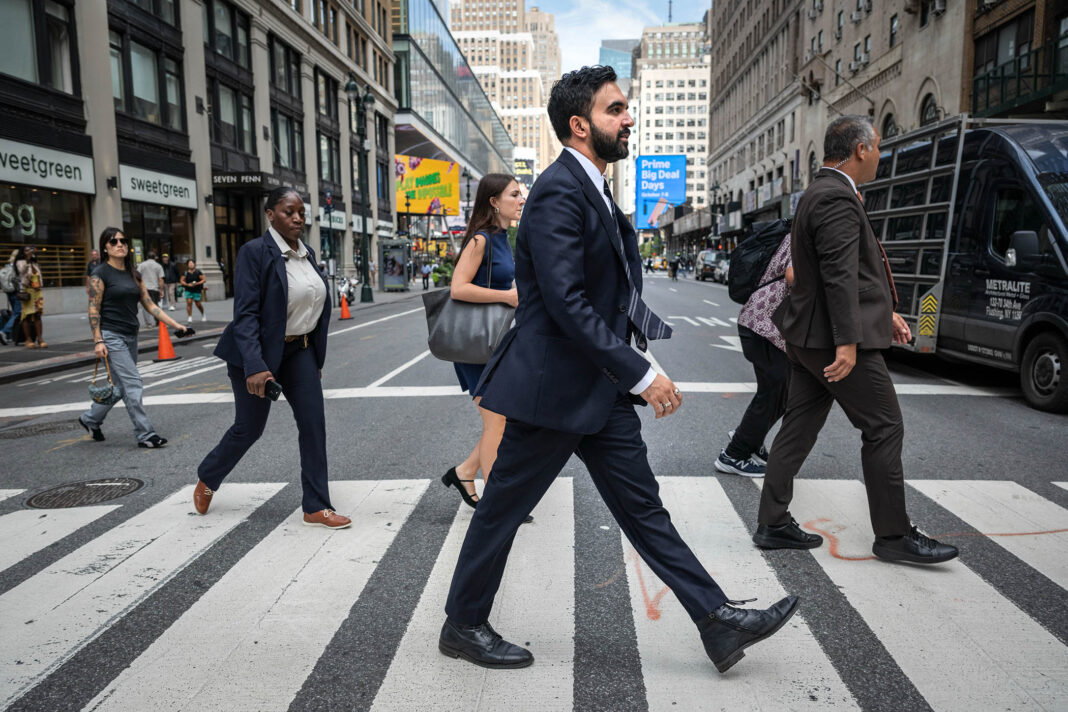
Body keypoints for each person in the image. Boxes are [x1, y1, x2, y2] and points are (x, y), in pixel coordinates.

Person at [439, 66, 798, 675]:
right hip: (554, 389)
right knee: (501, 508)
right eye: (615, 110)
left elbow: (611, 299)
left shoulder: (597, 189)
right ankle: (463, 625)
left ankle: (715, 620)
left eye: (626, 108)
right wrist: (641, 374)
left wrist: (640, 364)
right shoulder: (558, 189)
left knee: (643, 509)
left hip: (596, 391)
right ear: (580, 126)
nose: (628, 118)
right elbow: (565, 301)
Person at [753, 116, 958, 565]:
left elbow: (854, 274)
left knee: (799, 427)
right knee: (884, 426)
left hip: (807, 336)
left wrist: (887, 316)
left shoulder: (820, 192)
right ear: (861, 149)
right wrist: (849, 343)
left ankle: (771, 523)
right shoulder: (835, 198)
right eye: (878, 147)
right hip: (832, 340)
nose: (880, 156)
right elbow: (839, 276)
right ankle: (893, 536)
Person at [193, 186, 350, 530]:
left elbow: (314, 306)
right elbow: (246, 314)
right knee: (250, 428)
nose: (297, 218)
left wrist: (315, 361)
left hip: (300, 352)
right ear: (270, 214)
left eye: (300, 213)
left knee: (313, 425)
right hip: (257, 355)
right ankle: (208, 476)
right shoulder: (255, 252)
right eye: (288, 212)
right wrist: (255, 366)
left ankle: (316, 506)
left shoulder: (306, 253)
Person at [440, 174, 524, 514]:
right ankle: (497, 505)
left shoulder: (504, 238)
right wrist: (508, 297)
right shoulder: (481, 240)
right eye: (514, 194)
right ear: (494, 201)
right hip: (477, 347)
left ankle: (464, 473)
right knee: (498, 422)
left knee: (504, 420)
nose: (521, 200)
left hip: (496, 343)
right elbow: (457, 288)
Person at [79, 228, 193, 447]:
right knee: (133, 383)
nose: (120, 244)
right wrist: (98, 340)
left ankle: (90, 419)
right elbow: (94, 310)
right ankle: (145, 434)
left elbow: (150, 306)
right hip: (111, 336)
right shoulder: (100, 274)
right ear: (106, 247)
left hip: (131, 335)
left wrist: (177, 325)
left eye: (123, 240)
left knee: (121, 388)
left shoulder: (134, 274)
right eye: (114, 241)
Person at [716, 233, 794, 477]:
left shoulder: (803, 231)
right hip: (763, 326)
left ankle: (750, 438)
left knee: (781, 391)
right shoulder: (805, 234)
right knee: (775, 390)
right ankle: (734, 454)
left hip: (767, 326)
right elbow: (793, 276)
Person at [15, 245, 45, 348]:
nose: (29, 251)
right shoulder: (20, 262)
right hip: (26, 291)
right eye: (27, 250)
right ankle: (28, 339)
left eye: (30, 250)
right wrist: (27, 259)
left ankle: (40, 338)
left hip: (37, 291)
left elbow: (38, 276)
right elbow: (22, 272)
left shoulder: (35, 262)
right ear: (23, 253)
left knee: (38, 314)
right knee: (26, 315)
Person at [137, 250, 165, 328]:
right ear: (155, 258)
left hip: (144, 288)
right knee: (155, 305)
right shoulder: (158, 266)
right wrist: (162, 290)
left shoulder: (142, 265)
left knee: (145, 306)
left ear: (147, 257)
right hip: (155, 288)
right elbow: (161, 279)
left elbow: (137, 276)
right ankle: (157, 321)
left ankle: (148, 323)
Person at [0, 249, 20, 346]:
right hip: (17, 292)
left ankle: (8, 335)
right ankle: (4, 332)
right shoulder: (18, 265)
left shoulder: (8, 265)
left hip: (9, 292)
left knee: (14, 313)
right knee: (17, 312)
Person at [181, 259, 206, 323]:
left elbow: (204, 280)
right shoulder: (185, 272)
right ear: (187, 265)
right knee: (189, 302)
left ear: (194, 264)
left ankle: (203, 314)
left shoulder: (198, 272)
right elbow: (181, 281)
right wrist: (187, 284)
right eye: (189, 263)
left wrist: (197, 283)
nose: (191, 264)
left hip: (196, 289)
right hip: (188, 289)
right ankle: (190, 317)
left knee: (198, 304)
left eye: (192, 263)